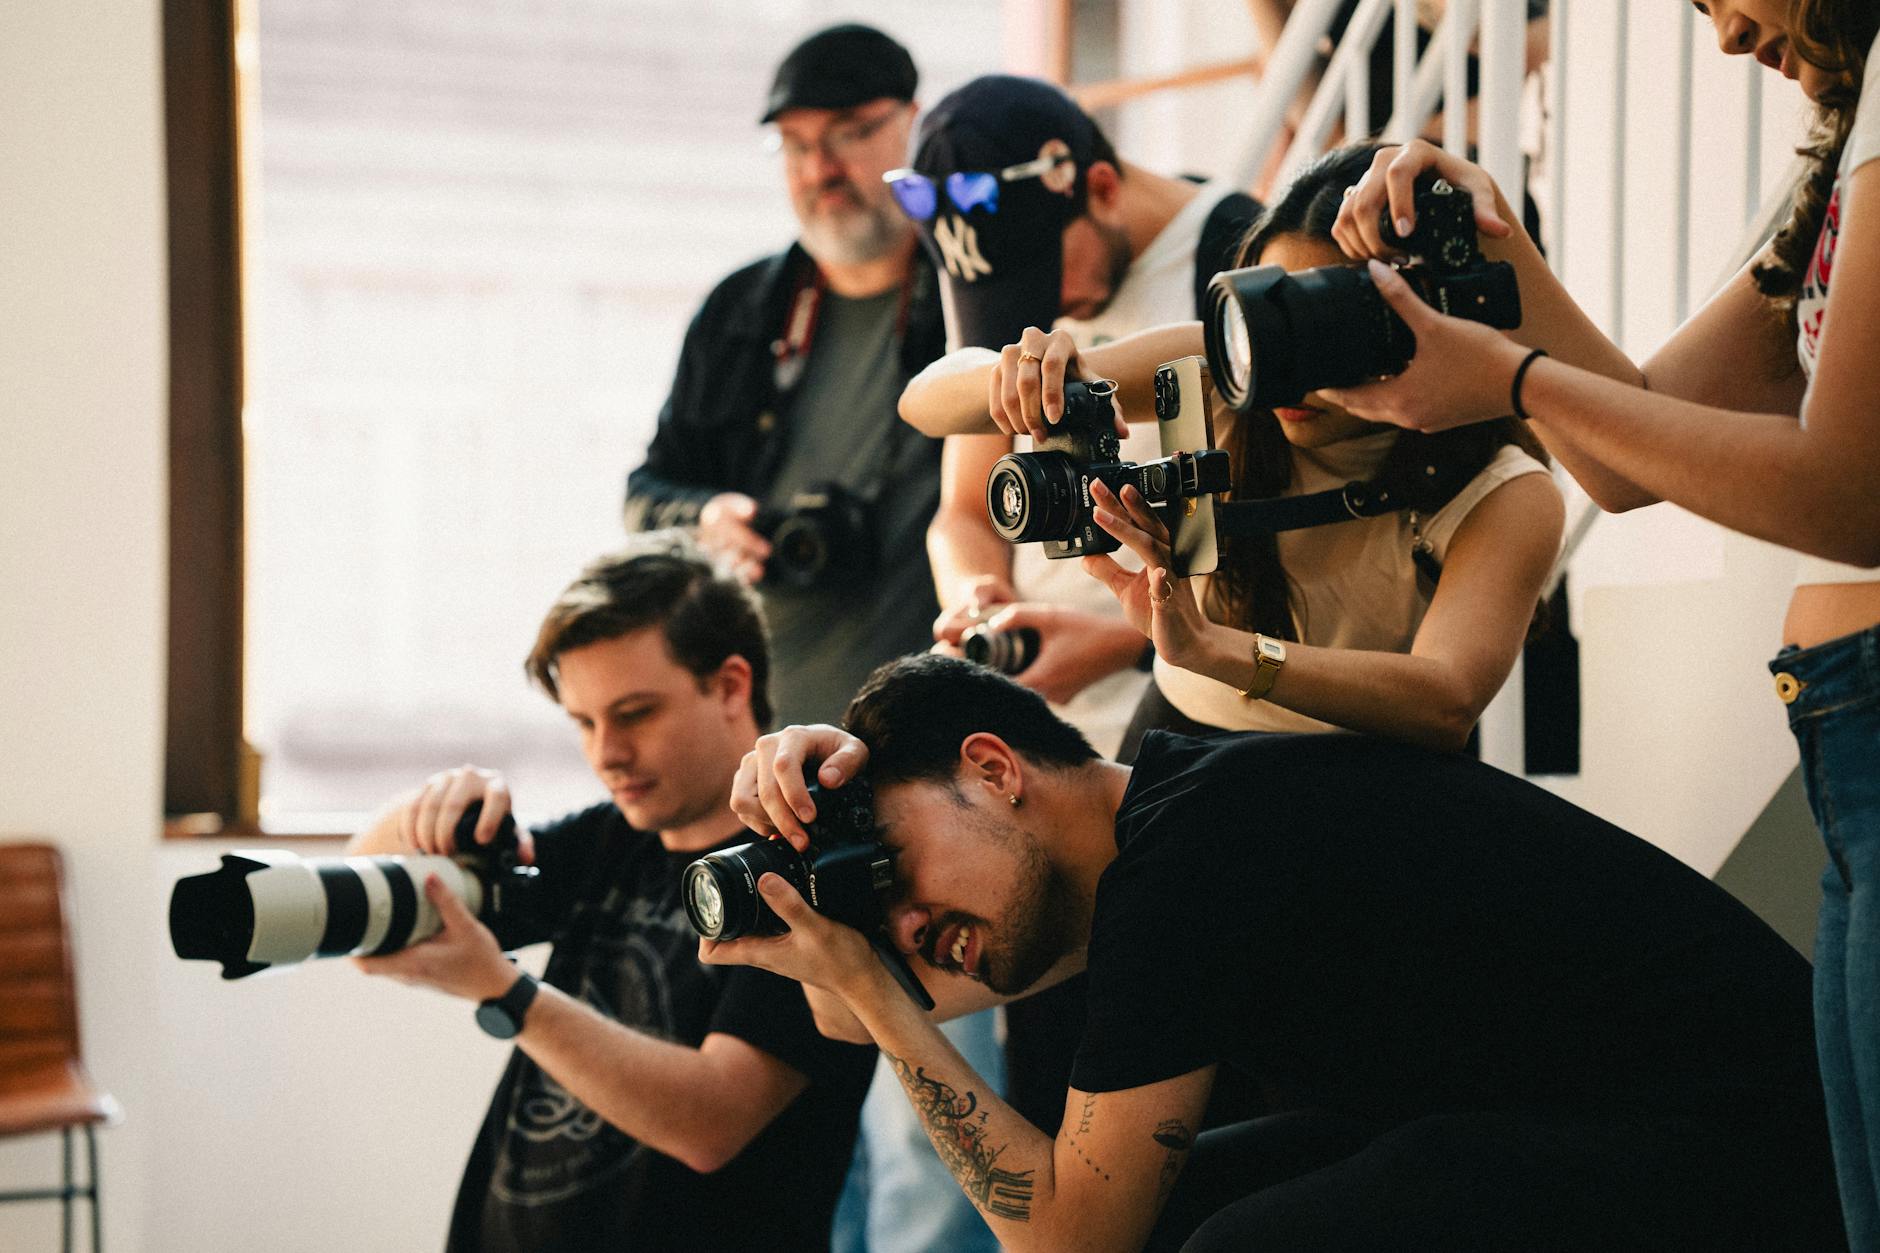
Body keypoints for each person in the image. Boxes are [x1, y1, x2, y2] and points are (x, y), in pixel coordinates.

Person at [1311, 2, 1880, 1244]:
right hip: (1845, 732)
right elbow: (1633, 446)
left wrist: (1509, 381)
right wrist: (1500, 252)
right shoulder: (1849, 143)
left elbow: (1851, 490)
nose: (1725, 36)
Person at [707, 655, 1844, 1251]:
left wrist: (879, 987)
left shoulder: (1197, 847)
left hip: (1746, 1149)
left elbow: (1065, 1239)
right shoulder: (1133, 846)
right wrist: (813, 870)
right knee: (1190, 1201)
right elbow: (851, 1016)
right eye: (885, 908)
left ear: (996, 767)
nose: (909, 929)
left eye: (899, 874)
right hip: (1572, 1124)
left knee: (1256, 1240)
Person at [620, 25, 1006, 1250]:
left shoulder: (970, 293)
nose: (820, 168)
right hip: (763, 779)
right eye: (795, 146)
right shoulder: (745, 310)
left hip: (920, 776)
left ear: (909, 128)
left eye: (848, 136)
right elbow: (648, 489)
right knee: (792, 1139)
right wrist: (707, 521)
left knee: (925, 1143)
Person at [930, 142, 1563, 759]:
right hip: (1175, 737)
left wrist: (1212, 650)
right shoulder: (1224, 369)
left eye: (1325, 333)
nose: (1287, 365)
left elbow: (1445, 702)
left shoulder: (1506, 490)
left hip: (1360, 781)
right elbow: (922, 403)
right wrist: (1020, 371)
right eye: (1272, 321)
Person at [346, 536, 875, 1252]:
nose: (606, 753)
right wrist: (420, 813)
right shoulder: (608, 840)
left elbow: (713, 1119)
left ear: (729, 685)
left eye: (634, 713)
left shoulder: (809, 869)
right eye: (584, 722)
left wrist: (506, 993)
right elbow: (368, 911)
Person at [900, 74, 1262, 760]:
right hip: (1041, 730)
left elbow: (1300, 553)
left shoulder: (1235, 259)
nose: (1035, 314)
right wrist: (978, 595)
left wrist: (1134, 638)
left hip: (1198, 720)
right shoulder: (1027, 287)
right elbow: (964, 511)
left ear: (1100, 187)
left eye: (1040, 276)